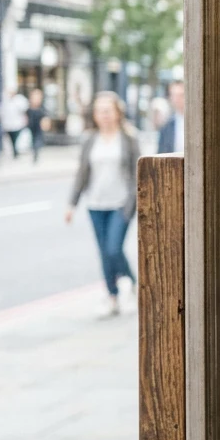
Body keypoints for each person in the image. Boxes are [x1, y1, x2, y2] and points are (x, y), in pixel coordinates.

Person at [66, 92, 141, 317]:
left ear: (118, 113)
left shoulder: (128, 138)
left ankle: (135, 282)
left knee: (113, 248)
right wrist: (72, 204)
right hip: (96, 205)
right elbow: (82, 173)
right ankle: (112, 296)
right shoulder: (90, 139)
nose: (104, 115)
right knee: (104, 253)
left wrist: (137, 200)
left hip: (121, 204)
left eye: (108, 110)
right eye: (100, 111)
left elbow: (139, 171)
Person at [158, 81, 187, 154]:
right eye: (174, 95)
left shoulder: (198, 122)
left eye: (181, 95)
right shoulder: (166, 126)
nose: (177, 99)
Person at [1, 89, 30, 159]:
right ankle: (15, 152)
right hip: (8, 125)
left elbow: (25, 110)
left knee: (17, 139)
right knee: (12, 140)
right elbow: (2, 112)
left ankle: (16, 151)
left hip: (18, 124)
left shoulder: (19, 100)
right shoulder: (5, 101)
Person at [27, 88, 49, 164]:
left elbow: (45, 115)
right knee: (33, 139)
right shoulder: (30, 107)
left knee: (37, 139)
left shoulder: (41, 107)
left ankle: (36, 152)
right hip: (31, 125)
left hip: (38, 125)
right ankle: (35, 152)